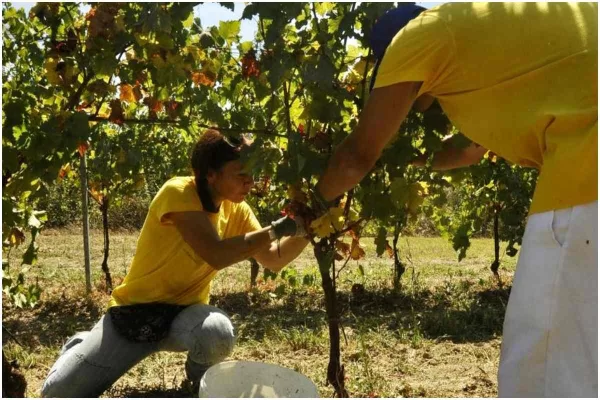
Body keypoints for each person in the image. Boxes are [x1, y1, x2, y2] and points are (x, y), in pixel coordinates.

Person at [315, 3, 597, 397]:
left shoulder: (413, 38)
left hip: (585, 172)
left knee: (543, 363)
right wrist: (401, 162)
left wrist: (310, 207)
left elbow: (355, 157)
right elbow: (466, 150)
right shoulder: (488, 46)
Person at [41, 129, 309, 397]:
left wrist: (309, 229)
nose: (250, 182)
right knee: (57, 393)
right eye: (241, 174)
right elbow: (215, 253)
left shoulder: (236, 209)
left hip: (184, 316)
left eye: (253, 173)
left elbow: (274, 258)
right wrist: (277, 229)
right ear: (210, 174)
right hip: (133, 315)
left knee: (217, 332)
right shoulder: (178, 192)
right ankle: (80, 343)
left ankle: (196, 387)